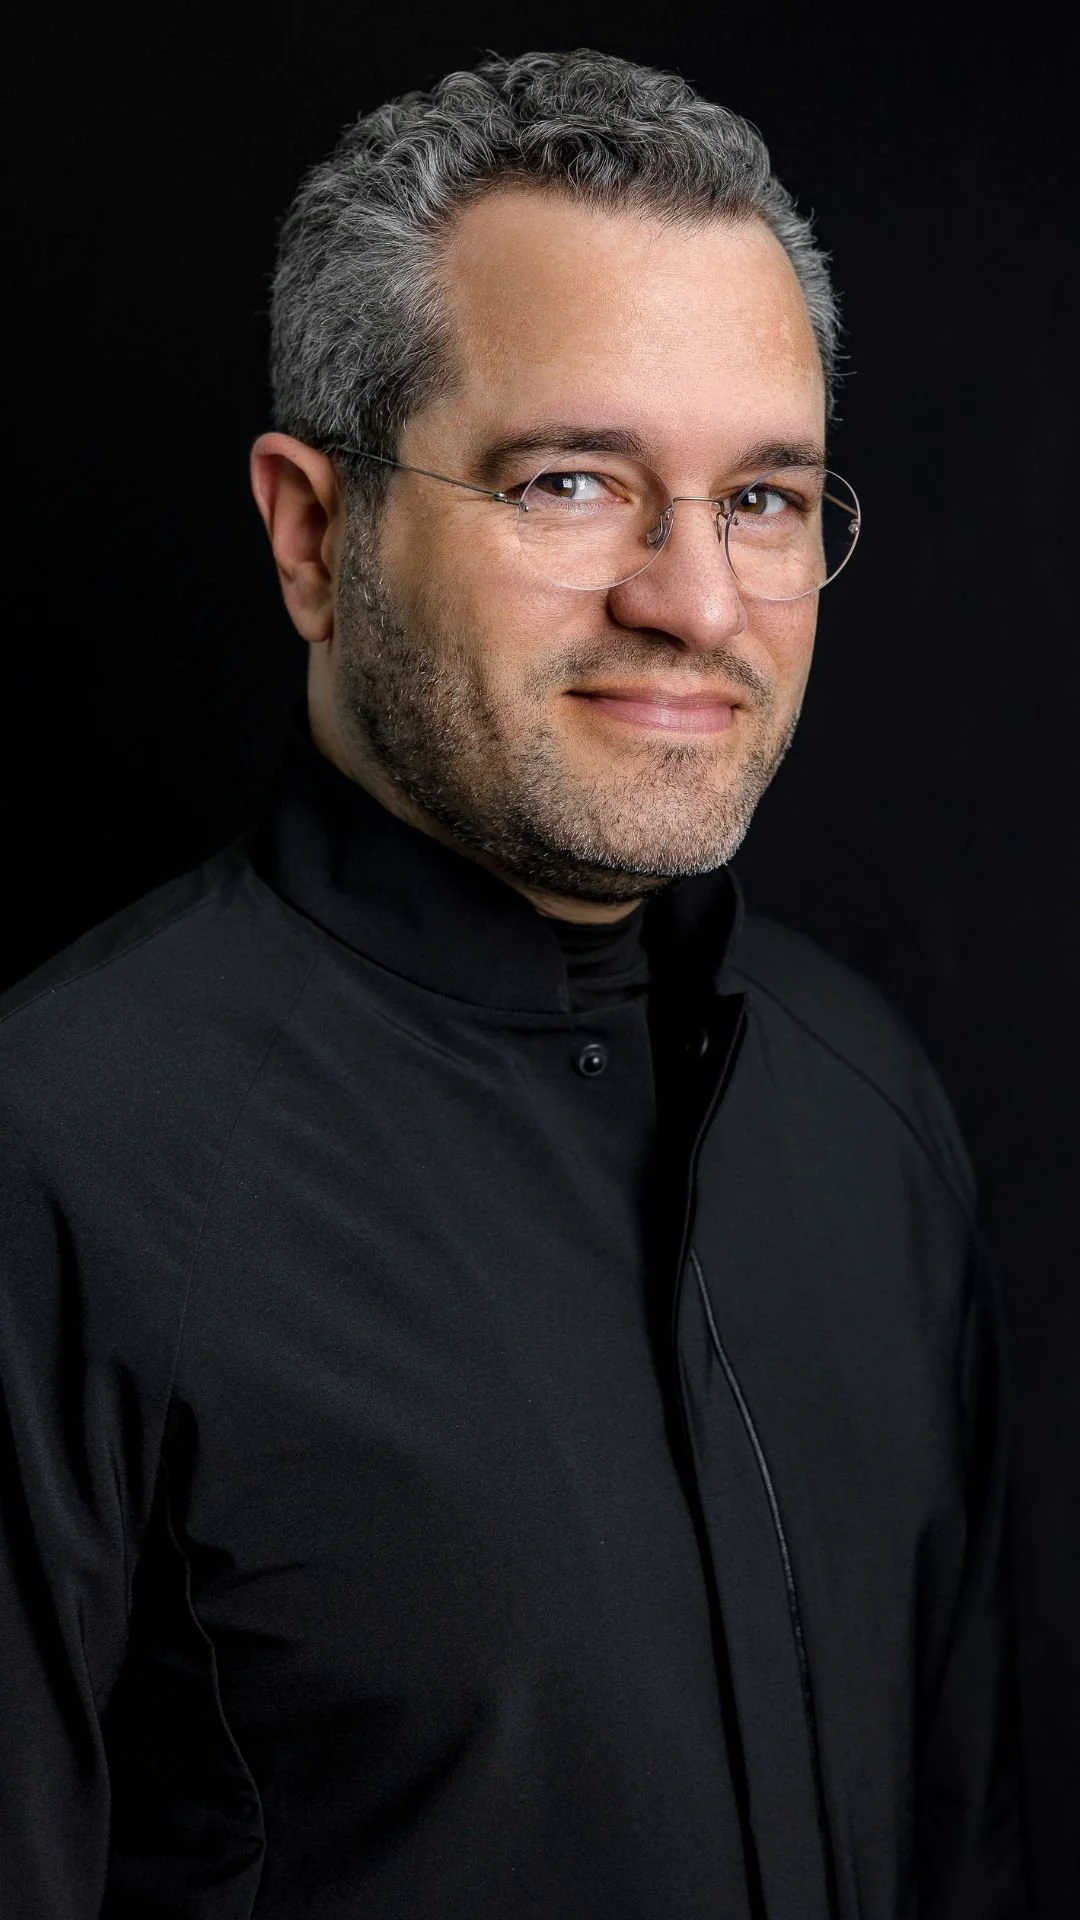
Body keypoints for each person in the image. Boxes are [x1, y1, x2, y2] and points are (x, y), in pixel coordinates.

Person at [0, 49, 1022, 1920]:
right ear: (315, 533)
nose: (695, 602)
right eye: (570, 482)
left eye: (765, 498)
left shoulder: (868, 1115)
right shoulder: (54, 1168)